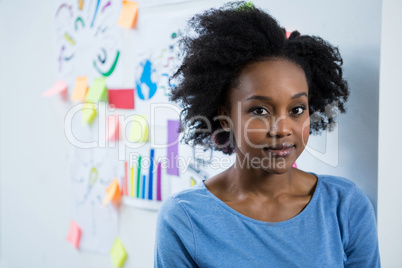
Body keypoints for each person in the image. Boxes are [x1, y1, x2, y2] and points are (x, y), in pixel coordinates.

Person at [154, 2, 380, 267]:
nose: (283, 129)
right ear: (225, 116)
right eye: (260, 110)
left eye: (297, 109)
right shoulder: (185, 219)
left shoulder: (346, 207)